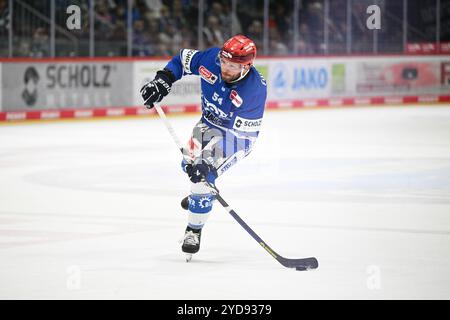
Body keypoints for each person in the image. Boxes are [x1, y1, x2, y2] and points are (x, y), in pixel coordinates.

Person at [140, 34, 267, 261]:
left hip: (236, 137)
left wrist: (208, 163)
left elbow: (238, 138)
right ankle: (201, 198)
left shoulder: (254, 90)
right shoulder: (211, 59)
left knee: (202, 176)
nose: (225, 69)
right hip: (207, 124)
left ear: (247, 66)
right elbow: (182, 60)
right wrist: (164, 80)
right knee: (188, 164)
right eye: (224, 62)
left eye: (233, 66)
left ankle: (193, 230)